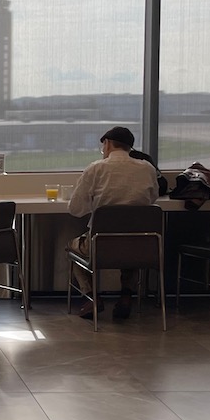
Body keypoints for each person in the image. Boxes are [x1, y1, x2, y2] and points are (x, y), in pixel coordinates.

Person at [66, 125, 160, 320]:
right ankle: (126, 296)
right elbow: (152, 199)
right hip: (141, 246)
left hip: (100, 246)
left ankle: (92, 298)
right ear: (130, 148)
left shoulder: (96, 168)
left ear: (107, 145)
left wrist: (95, 204)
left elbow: (75, 210)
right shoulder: (147, 168)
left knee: (72, 247)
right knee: (130, 245)